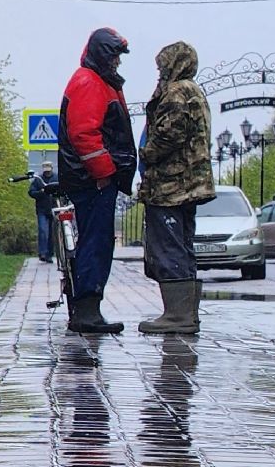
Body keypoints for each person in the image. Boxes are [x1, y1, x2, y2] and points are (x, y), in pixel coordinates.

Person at [58, 27, 137, 333]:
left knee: (96, 241)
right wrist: (104, 174)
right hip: (92, 182)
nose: (118, 62)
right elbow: (84, 135)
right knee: (96, 242)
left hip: (91, 180)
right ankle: (87, 311)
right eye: (115, 55)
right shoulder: (91, 83)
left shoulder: (95, 80)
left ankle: (86, 308)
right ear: (104, 54)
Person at [136, 42, 215, 335]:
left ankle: (177, 315)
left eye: (162, 66)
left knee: (168, 247)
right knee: (182, 246)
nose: (160, 71)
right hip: (189, 185)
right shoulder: (194, 90)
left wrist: (146, 153)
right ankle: (186, 314)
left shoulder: (177, 91)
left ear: (173, 64)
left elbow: (170, 133)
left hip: (172, 185)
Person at [28, 162, 57, 262]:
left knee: (52, 233)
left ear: (52, 169)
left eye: (49, 171)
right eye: (46, 171)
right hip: (42, 209)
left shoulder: (56, 178)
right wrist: (41, 192)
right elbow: (31, 192)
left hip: (54, 209)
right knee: (43, 230)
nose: (47, 173)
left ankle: (49, 254)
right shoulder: (38, 179)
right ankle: (43, 253)